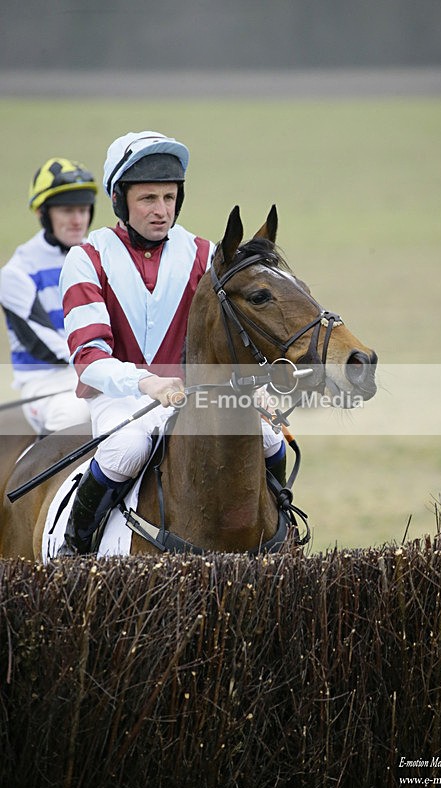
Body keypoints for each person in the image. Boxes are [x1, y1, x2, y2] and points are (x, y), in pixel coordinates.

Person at [58, 130, 285, 556]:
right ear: (121, 200)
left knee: (270, 438)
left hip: (195, 395)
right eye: (148, 199)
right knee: (126, 449)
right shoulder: (87, 257)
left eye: (169, 197)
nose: (161, 211)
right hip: (120, 398)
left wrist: (255, 387)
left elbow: (230, 342)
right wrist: (147, 384)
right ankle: (76, 551)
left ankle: (278, 528)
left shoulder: (204, 255)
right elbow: (89, 360)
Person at [0, 158, 96, 435]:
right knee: (74, 416)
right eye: (67, 211)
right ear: (43, 213)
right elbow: (47, 343)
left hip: (98, 369)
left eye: (83, 209)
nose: (78, 220)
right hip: (47, 384)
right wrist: (101, 367)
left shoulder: (100, 257)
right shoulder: (16, 273)